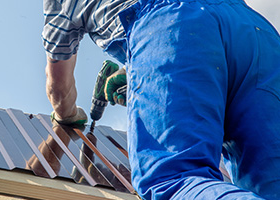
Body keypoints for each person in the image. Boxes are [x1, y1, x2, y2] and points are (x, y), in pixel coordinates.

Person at [42, 0, 280, 199]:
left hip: (169, 20)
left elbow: (59, 87)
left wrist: (68, 116)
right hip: (251, 29)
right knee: (273, 183)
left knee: (174, 179)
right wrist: (138, 74)